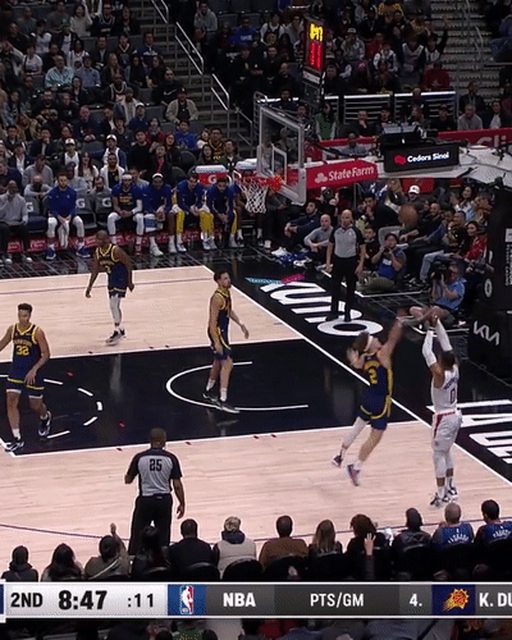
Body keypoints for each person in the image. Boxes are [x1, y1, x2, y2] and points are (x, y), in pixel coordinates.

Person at [332, 318, 404, 485]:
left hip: (369, 396)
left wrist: (353, 357)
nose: (379, 339)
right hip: (381, 400)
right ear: (372, 345)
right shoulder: (382, 355)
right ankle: (356, 467)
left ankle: (340, 456)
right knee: (375, 437)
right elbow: (393, 339)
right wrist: (399, 323)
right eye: (376, 339)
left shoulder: (364, 358)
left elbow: (356, 363)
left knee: (358, 426)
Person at [421, 314, 462, 507]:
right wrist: (437, 323)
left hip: (444, 417)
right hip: (455, 415)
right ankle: (451, 487)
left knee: (438, 455)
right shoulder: (455, 369)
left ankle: (441, 494)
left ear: (442, 362)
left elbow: (426, 352)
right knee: (446, 452)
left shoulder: (439, 374)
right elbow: (447, 345)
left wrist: (430, 330)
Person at [0, 303, 52, 453]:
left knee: (35, 405)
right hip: (17, 370)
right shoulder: (13, 329)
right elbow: (2, 344)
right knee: (11, 401)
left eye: (24, 316)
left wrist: (34, 370)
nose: (22, 318)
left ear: (29, 316)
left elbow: (46, 354)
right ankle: (17, 439)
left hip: (33, 372)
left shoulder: (37, 332)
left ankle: (45, 417)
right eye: (20, 315)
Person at [125, 427, 185, 555]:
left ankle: (133, 559)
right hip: (164, 501)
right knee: (163, 536)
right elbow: (177, 485)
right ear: (163, 441)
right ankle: (163, 560)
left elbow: (128, 479)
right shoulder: (171, 458)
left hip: (145, 500)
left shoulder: (140, 457)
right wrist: (182, 503)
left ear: (150, 440)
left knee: (138, 535)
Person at [204, 269, 249, 414]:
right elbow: (212, 322)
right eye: (225, 279)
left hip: (223, 331)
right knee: (228, 363)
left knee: (218, 361)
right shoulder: (217, 298)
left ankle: (208, 391)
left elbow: (229, 311)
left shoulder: (227, 293)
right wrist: (216, 342)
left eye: (228, 278)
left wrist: (241, 323)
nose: (228, 280)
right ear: (218, 281)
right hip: (217, 332)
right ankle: (223, 400)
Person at [85, 230, 134, 344]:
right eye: (96, 239)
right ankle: (121, 329)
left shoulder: (115, 250)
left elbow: (128, 264)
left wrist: (130, 282)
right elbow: (95, 270)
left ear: (106, 239)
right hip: (111, 279)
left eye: (99, 239)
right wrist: (89, 286)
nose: (97, 241)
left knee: (113, 304)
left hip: (121, 278)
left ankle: (117, 331)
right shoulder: (98, 252)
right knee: (114, 305)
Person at [325, 209, 364, 322]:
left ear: (351, 219)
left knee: (350, 288)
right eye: (343, 217)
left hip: (351, 261)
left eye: (347, 218)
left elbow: (362, 248)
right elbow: (330, 247)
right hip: (338, 261)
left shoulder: (356, 231)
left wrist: (360, 264)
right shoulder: (336, 230)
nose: (345, 220)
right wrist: (328, 263)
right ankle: (333, 311)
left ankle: (347, 312)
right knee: (335, 287)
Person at [46, 172, 89, 260]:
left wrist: (70, 215)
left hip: (69, 216)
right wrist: (59, 217)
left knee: (79, 222)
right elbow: (52, 208)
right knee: (51, 223)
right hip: (56, 216)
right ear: (58, 181)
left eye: (65, 180)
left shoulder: (72, 192)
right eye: (61, 180)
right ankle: (51, 249)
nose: (63, 182)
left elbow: (73, 207)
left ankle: (81, 247)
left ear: (67, 181)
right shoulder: (52, 193)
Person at [108, 173, 144, 255]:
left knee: (140, 218)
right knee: (110, 217)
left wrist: (131, 212)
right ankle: (114, 243)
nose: (127, 182)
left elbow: (139, 207)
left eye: (129, 180)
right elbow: (115, 205)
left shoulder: (137, 189)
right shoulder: (116, 188)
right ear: (122, 181)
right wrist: (120, 211)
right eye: (125, 180)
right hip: (121, 211)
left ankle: (138, 244)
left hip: (133, 211)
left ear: (131, 181)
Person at [0, 180, 31, 265]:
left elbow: (25, 214)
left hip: (16, 223)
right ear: (8, 188)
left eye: (14, 188)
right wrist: (7, 202)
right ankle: (4, 253)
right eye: (11, 187)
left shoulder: (21, 199)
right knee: (4, 229)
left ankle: (26, 252)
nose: (13, 189)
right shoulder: (1, 198)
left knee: (24, 228)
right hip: (4, 222)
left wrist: (24, 220)